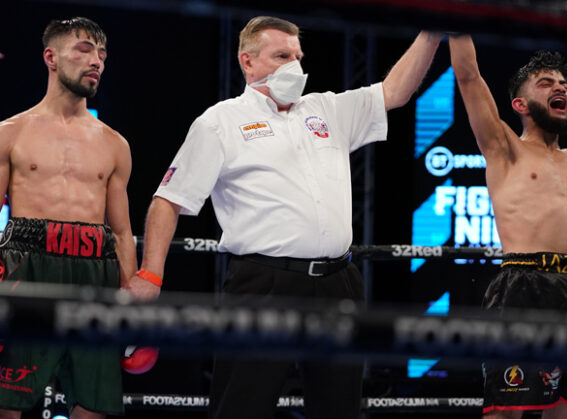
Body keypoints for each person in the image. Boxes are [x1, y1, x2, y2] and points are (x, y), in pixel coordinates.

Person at [132, 15, 442, 419]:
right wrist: (150, 276)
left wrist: (433, 30)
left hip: (339, 283)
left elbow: (395, 91)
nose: (294, 66)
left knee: (339, 411)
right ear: (248, 61)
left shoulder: (326, 108)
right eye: (281, 55)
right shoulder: (220, 122)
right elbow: (167, 200)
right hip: (264, 284)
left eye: (297, 55)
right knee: (240, 409)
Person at [448, 34, 567, 418]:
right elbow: (469, 77)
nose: (560, 89)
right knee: (506, 410)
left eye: (565, 85)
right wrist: (455, 19)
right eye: (547, 83)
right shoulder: (505, 149)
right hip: (524, 285)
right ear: (520, 104)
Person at [0, 17, 140, 418]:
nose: (96, 60)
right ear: (51, 57)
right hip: (26, 267)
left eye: (101, 53)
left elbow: (121, 229)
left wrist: (131, 295)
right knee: (6, 399)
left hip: (96, 271)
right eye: (83, 49)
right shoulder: (11, 133)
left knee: (94, 403)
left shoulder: (115, 144)